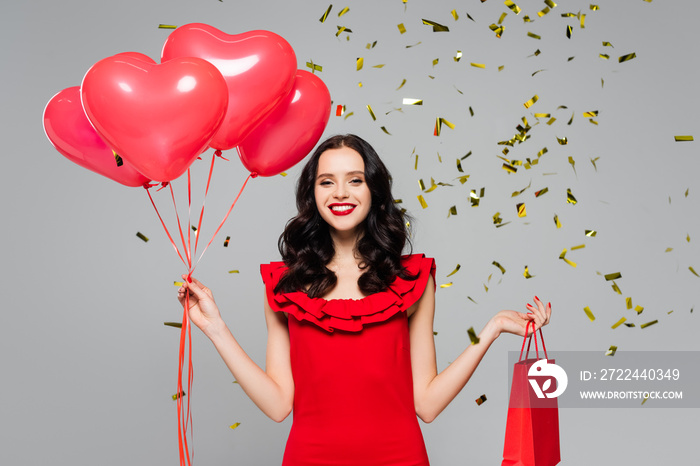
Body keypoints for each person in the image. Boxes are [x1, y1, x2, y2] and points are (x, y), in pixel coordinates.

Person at [178, 134, 552, 465]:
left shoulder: (412, 279)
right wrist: (216, 329)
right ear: (313, 195)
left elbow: (427, 403)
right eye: (327, 182)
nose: (340, 192)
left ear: (373, 191)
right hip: (310, 458)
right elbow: (279, 406)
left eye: (354, 180)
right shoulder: (285, 285)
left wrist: (491, 330)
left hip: (400, 457)